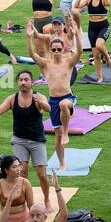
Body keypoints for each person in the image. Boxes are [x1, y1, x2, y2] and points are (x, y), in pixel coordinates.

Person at [0, 68, 51, 207]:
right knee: (21, 172)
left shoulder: (38, 97)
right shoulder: (12, 99)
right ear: (17, 83)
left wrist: (42, 102)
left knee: (42, 175)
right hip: (19, 140)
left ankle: (47, 199)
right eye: (21, 80)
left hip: (37, 140)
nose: (23, 82)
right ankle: (26, 203)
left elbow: (48, 109)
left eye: (26, 80)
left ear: (32, 83)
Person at [27, 27, 80, 182]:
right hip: (53, 101)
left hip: (68, 98)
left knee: (64, 105)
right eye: (54, 49)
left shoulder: (69, 62)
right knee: (56, 137)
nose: (57, 51)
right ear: (51, 50)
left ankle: (66, 132)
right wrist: (29, 37)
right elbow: (32, 54)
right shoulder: (45, 64)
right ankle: (62, 163)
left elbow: (80, 53)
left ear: (63, 50)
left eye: (59, 49)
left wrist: (77, 35)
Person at [77, 0, 111, 82]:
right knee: (96, 55)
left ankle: (107, 57)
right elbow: (77, 5)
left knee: (99, 45)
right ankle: (100, 77)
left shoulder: (103, 0)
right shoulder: (89, 0)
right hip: (92, 28)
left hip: (103, 27)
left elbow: (108, 3)